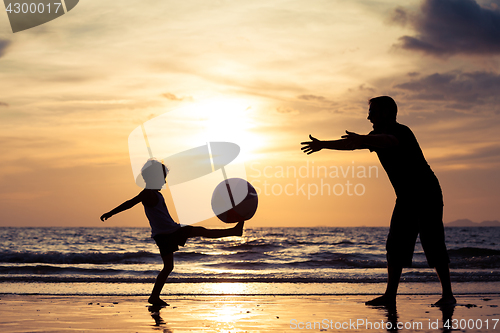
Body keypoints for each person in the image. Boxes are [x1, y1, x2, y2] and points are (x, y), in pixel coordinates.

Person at [301, 96, 455, 306]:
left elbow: (389, 141)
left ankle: (448, 295)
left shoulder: (402, 131)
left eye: (372, 112)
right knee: (394, 245)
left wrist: (365, 139)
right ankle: (390, 296)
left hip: (426, 193)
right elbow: (352, 144)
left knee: (433, 242)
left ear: (386, 113)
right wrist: (322, 145)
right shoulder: (373, 136)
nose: (368, 116)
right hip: (406, 197)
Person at [100, 159, 244, 306]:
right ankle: (233, 231)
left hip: (163, 234)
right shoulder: (147, 193)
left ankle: (154, 297)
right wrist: (111, 213)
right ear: (153, 178)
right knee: (201, 231)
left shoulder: (155, 194)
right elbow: (130, 203)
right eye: (162, 178)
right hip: (169, 232)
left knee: (168, 267)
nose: (164, 182)